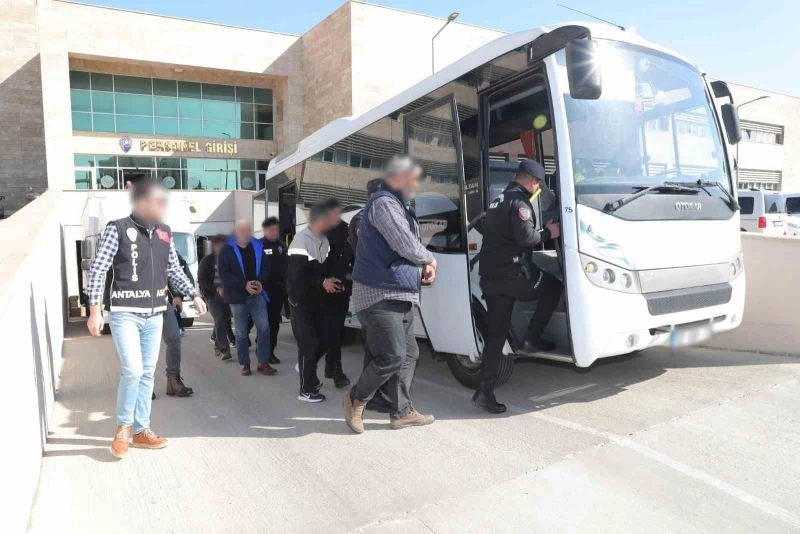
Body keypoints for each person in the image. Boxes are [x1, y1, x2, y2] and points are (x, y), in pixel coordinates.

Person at [87, 179, 206, 459]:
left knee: (147, 373)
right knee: (133, 371)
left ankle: (142, 431)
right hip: (125, 313)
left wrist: (194, 294)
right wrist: (94, 310)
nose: (161, 207)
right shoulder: (117, 229)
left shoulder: (165, 233)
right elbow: (98, 269)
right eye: (156, 201)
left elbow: (174, 269)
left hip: (155, 314)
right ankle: (123, 429)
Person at [343, 156, 437, 433]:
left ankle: (402, 412)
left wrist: (422, 266)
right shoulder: (383, 203)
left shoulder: (399, 206)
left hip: (401, 292)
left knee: (409, 353)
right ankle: (355, 399)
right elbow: (402, 242)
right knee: (393, 355)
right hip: (379, 292)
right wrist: (429, 259)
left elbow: (407, 246)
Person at [476, 160, 562, 414]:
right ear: (532, 181)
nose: (538, 187)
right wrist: (549, 233)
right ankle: (531, 339)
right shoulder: (520, 204)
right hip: (514, 276)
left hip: (491, 277)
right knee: (553, 287)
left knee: (496, 335)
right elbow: (527, 238)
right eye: (538, 183)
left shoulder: (498, 200)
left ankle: (484, 391)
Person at [346, 178, 393, 413]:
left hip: (370, 285)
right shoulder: (365, 218)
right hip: (373, 287)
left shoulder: (361, 217)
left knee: (375, 346)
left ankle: (373, 394)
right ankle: (365, 395)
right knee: (379, 347)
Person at [287, 203, 337, 402]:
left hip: (317, 299)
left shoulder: (324, 240)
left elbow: (324, 269)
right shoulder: (300, 241)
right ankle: (306, 390)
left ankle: (305, 366)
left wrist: (332, 280)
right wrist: (322, 281)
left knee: (326, 339)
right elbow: (297, 275)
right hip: (300, 300)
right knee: (308, 344)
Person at [217, 219, 277, 377]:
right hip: (237, 298)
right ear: (235, 232)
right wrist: (244, 285)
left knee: (264, 328)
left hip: (258, 295)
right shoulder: (226, 250)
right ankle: (245, 363)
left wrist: (260, 282)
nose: (245, 233)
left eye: (247, 230)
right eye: (241, 230)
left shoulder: (258, 246)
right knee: (241, 333)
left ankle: (263, 361)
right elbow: (224, 274)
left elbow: (266, 268)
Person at [321, 198, 353, 389]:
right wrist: (322, 280)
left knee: (337, 330)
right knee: (331, 331)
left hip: (342, 288)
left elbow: (353, 256)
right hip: (323, 290)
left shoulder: (347, 230)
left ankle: (329, 365)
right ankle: (336, 370)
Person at [162, 251, 195, 397]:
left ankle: (173, 380)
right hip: (138, 303)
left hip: (161, 301)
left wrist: (182, 295)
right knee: (143, 344)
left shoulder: (165, 246)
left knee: (174, 337)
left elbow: (177, 273)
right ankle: (143, 385)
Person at [199, 235, 233, 360]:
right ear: (214, 247)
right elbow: (202, 281)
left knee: (225, 319)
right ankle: (225, 349)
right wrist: (216, 289)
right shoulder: (207, 261)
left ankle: (216, 340)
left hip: (228, 295)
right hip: (212, 296)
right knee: (219, 319)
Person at [261, 217, 287, 365]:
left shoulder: (282, 246)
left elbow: (287, 267)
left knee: (273, 323)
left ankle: (269, 352)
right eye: (271, 230)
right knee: (262, 323)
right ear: (265, 230)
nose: (274, 232)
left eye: (276, 229)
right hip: (262, 291)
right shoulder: (259, 246)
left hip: (277, 291)